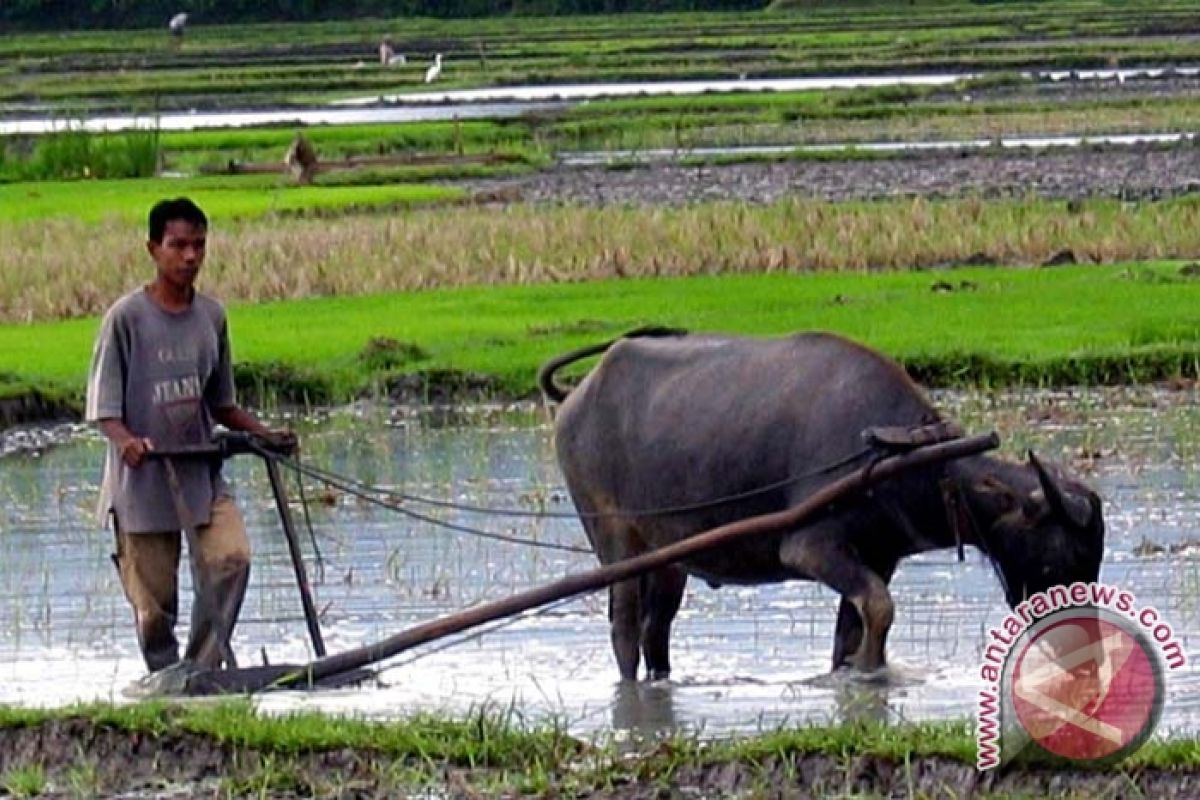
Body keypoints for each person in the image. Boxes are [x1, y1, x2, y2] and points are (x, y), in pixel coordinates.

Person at [86, 197, 295, 675]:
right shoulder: (126, 319)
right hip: (143, 482)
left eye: (198, 245)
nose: (190, 257)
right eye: (178, 245)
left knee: (231, 559)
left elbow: (221, 404)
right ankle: (164, 677)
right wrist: (127, 442)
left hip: (199, 471)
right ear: (153, 249)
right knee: (155, 606)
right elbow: (103, 410)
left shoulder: (212, 318)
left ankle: (200, 670)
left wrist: (266, 435)